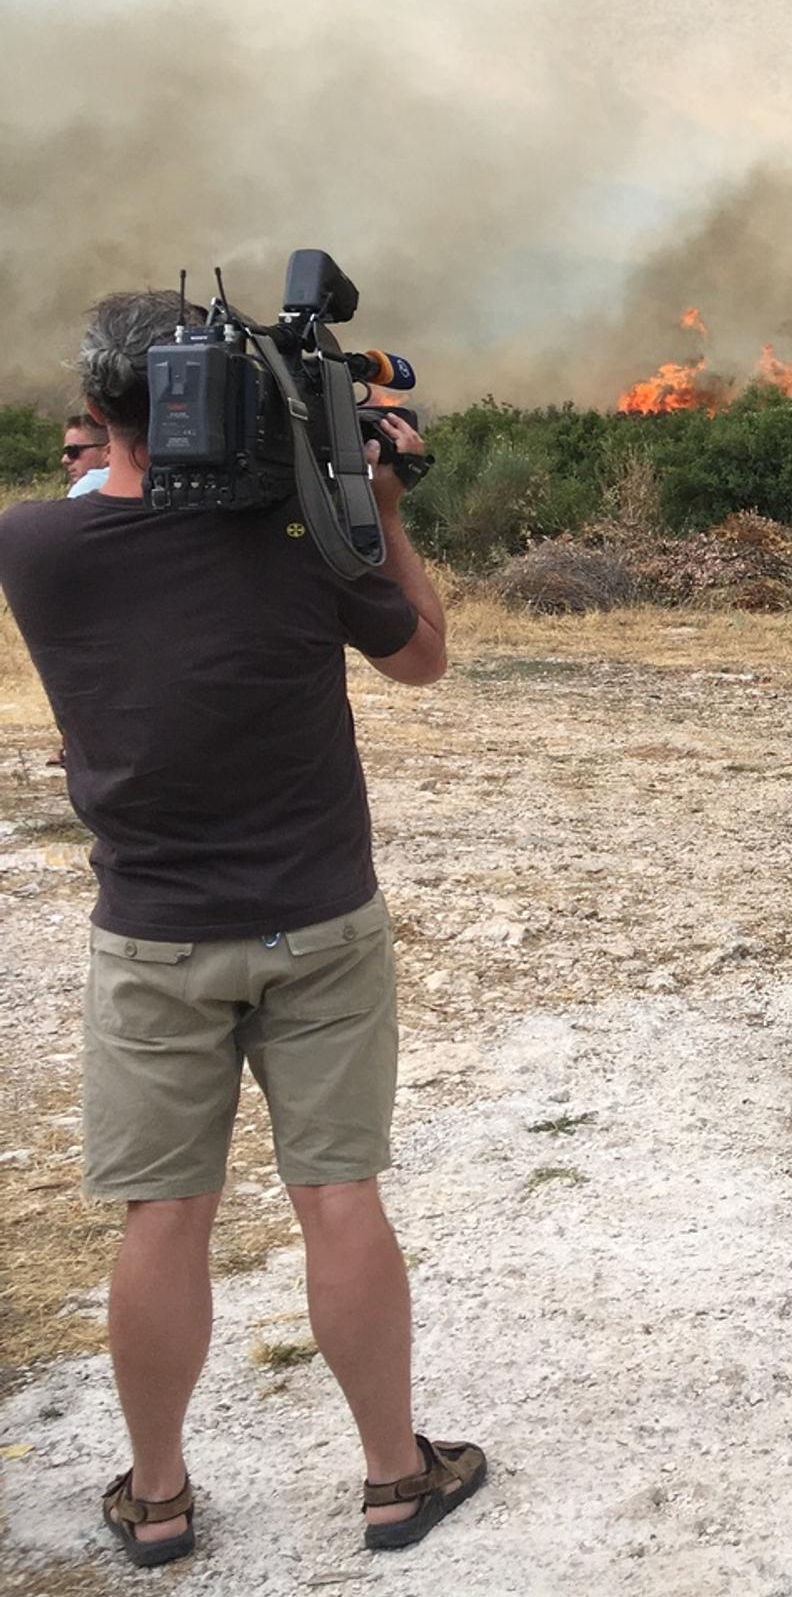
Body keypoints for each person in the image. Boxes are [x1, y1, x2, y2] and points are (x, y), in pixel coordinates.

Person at [0, 291, 485, 1567]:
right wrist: (374, 505)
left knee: (163, 1216)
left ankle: (158, 1497)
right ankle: (393, 1479)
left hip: (152, 936)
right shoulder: (300, 538)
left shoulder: (34, 548)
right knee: (338, 1197)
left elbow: (111, 516)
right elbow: (424, 657)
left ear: (101, 411)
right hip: (318, 922)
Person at [62, 411, 111, 497]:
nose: (64, 460)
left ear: (107, 452)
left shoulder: (89, 484)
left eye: (72, 451)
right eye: (65, 452)